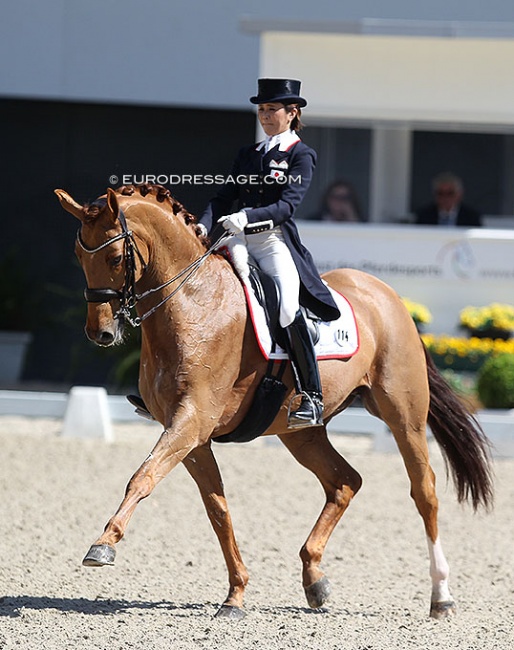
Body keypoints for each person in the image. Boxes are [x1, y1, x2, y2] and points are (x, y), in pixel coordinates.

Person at [199, 78, 341, 428]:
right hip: (234, 239)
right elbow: (222, 198)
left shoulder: (300, 155)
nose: (265, 115)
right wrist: (203, 225)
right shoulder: (248, 155)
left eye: (272, 109)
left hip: (272, 241)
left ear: (293, 113)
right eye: (261, 109)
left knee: (287, 307)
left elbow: (287, 206)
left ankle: (311, 395)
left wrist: (247, 217)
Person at [414, 172, 482, 227]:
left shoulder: (471, 217)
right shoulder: (424, 216)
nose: (445, 197)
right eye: (440, 193)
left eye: (450, 193)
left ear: (459, 194)